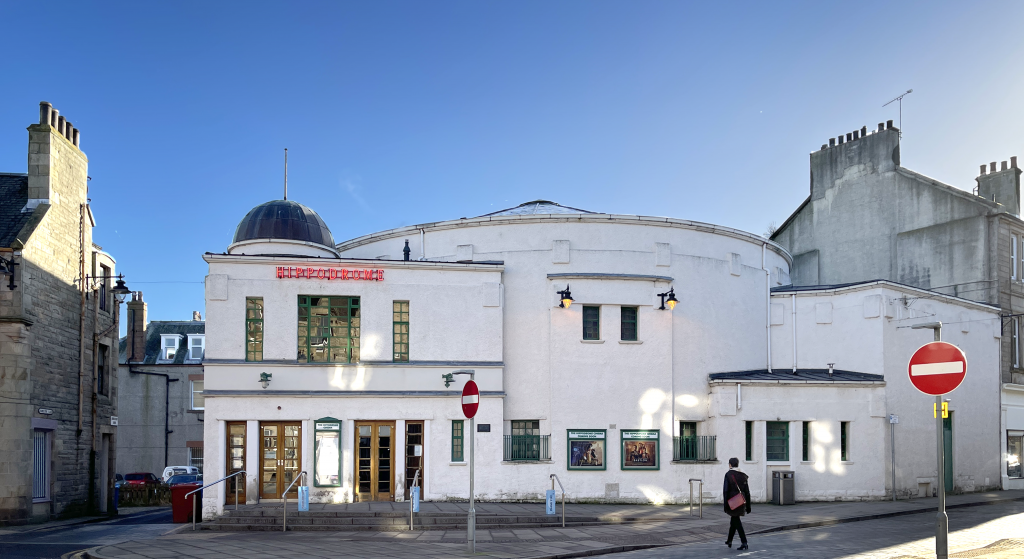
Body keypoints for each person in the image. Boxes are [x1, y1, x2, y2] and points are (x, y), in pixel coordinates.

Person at [723, 457, 751, 550]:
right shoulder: (743, 475)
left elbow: (726, 491)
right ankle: (729, 540)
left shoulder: (728, 474)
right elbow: (747, 491)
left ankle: (744, 542)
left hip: (732, 502)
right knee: (734, 520)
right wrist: (748, 506)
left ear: (730, 464)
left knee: (737, 522)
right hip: (741, 501)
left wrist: (725, 504)